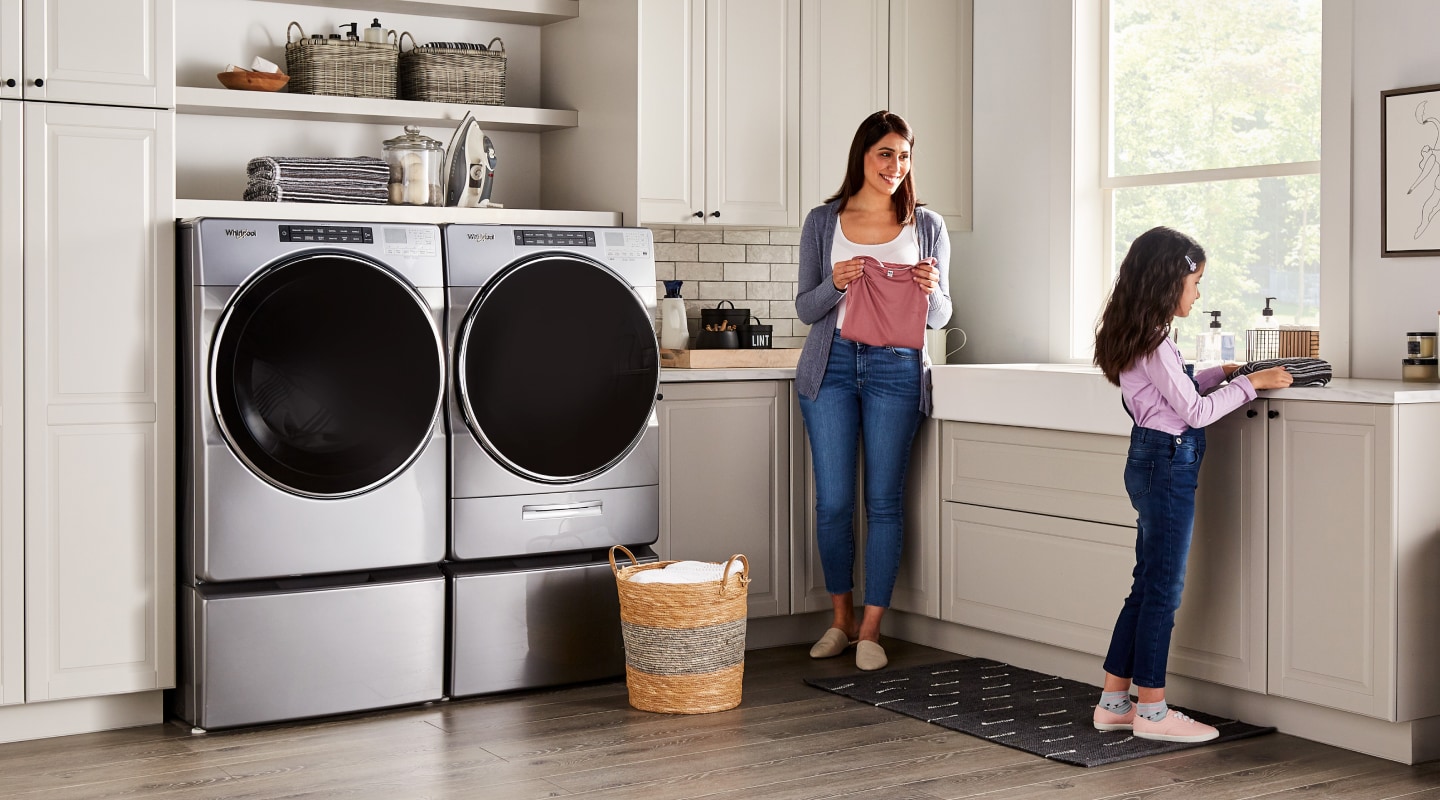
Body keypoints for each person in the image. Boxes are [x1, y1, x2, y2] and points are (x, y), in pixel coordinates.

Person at [1091, 226, 1293, 742]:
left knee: (1147, 582)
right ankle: (1152, 712)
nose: (1198, 293)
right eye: (1196, 281)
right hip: (1168, 463)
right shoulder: (1156, 342)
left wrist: (1215, 372)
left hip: (1149, 455)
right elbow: (1196, 414)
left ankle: (1115, 700)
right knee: (1164, 589)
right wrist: (1252, 383)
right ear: (1169, 280)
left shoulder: (1139, 335)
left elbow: (1171, 393)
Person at [794, 110, 953, 672]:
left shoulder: (926, 225)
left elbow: (938, 317)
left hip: (898, 371)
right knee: (834, 502)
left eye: (904, 155)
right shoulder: (823, 221)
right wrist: (834, 284)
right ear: (863, 155)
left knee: (883, 504)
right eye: (885, 153)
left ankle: (870, 629)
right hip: (830, 368)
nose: (895, 166)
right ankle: (838, 620)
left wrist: (932, 290)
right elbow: (804, 307)